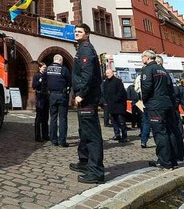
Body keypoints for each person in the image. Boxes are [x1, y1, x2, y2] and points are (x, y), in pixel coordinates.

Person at [68, 24, 104, 184]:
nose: (76, 33)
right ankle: (84, 162)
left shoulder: (86, 49)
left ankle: (96, 172)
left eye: (80, 31)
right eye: (75, 31)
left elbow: (88, 74)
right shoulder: (81, 48)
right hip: (85, 97)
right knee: (84, 132)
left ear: (87, 34)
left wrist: (81, 94)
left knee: (91, 136)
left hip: (87, 97)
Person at [141, 50, 178, 170]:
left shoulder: (147, 69)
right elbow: (170, 88)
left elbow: (146, 87)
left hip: (155, 105)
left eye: (142, 56)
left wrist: (145, 101)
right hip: (166, 104)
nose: (142, 59)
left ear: (147, 58)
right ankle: (173, 160)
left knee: (159, 133)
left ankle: (164, 161)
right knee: (169, 131)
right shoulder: (163, 70)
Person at [46, 54, 71, 147]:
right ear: (60, 60)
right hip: (62, 95)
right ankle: (62, 141)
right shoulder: (63, 69)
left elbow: (45, 80)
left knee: (53, 118)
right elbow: (69, 80)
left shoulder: (48, 69)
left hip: (52, 95)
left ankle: (53, 140)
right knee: (63, 118)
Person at [103, 68, 128, 143]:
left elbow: (121, 92)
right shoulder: (106, 82)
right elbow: (104, 92)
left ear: (112, 73)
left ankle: (124, 136)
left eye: (108, 73)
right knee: (114, 121)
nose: (107, 75)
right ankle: (117, 134)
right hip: (111, 105)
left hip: (119, 105)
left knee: (121, 121)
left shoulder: (118, 81)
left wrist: (115, 99)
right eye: (106, 73)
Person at [31, 61, 49, 142]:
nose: (45, 69)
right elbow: (34, 86)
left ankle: (45, 135)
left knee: (46, 117)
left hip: (46, 96)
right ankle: (37, 136)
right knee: (39, 118)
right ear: (40, 67)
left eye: (45, 68)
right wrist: (40, 81)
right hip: (40, 97)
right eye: (44, 68)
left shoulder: (46, 76)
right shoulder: (37, 75)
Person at [134, 74, 151, 148]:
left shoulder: (138, 77)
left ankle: (143, 141)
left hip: (143, 101)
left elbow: (136, 89)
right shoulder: (151, 74)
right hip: (152, 101)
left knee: (146, 122)